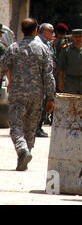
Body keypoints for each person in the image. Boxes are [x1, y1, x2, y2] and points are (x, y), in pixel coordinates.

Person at [0, 18, 55, 171]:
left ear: (22, 31)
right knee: (31, 128)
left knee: (16, 125)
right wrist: (51, 98)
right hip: (37, 95)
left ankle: (22, 150)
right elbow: (48, 75)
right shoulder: (43, 49)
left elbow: (2, 68)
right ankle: (25, 153)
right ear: (35, 30)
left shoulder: (13, 48)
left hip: (18, 94)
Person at [58, 29, 82, 96]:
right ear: (72, 37)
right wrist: (60, 81)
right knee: (70, 102)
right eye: (76, 37)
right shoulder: (66, 49)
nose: (78, 39)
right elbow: (61, 66)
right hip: (70, 81)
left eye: (80, 36)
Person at [35, 23, 56, 138]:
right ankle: (36, 128)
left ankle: (38, 127)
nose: (53, 34)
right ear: (44, 31)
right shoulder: (38, 42)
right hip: (39, 78)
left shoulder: (47, 43)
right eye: (51, 31)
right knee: (39, 105)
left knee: (42, 104)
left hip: (45, 78)